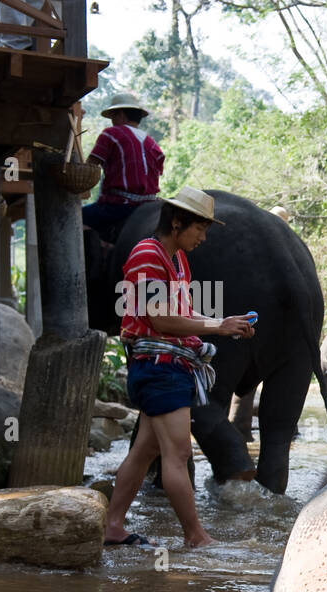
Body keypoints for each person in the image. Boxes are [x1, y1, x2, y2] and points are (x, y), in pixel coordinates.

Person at [103, 187, 255, 549]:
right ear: (176, 223)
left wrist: (223, 321)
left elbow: (183, 315)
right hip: (159, 368)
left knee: (145, 452)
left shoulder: (177, 260)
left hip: (168, 366)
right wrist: (217, 326)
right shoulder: (147, 256)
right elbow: (162, 318)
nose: (202, 238)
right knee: (179, 454)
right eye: (199, 229)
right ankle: (196, 536)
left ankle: (112, 525)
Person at [81, 93, 165, 241]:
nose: (112, 121)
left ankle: (100, 251)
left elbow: (88, 168)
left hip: (120, 206)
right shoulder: (152, 143)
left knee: (76, 217)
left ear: (120, 115)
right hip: (149, 205)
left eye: (113, 116)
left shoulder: (111, 134)